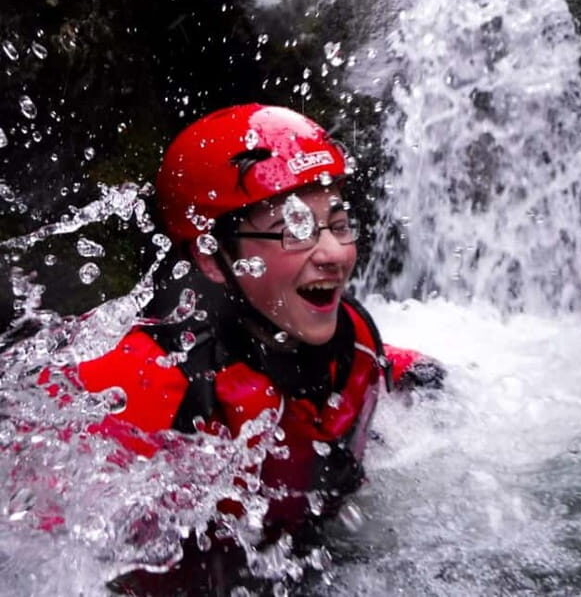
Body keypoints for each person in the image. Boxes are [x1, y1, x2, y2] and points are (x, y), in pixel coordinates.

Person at [68, 104, 442, 582]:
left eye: (339, 224)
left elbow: (383, 367)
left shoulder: (355, 342)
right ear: (210, 255)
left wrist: (416, 372)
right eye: (295, 231)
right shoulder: (133, 389)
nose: (334, 254)